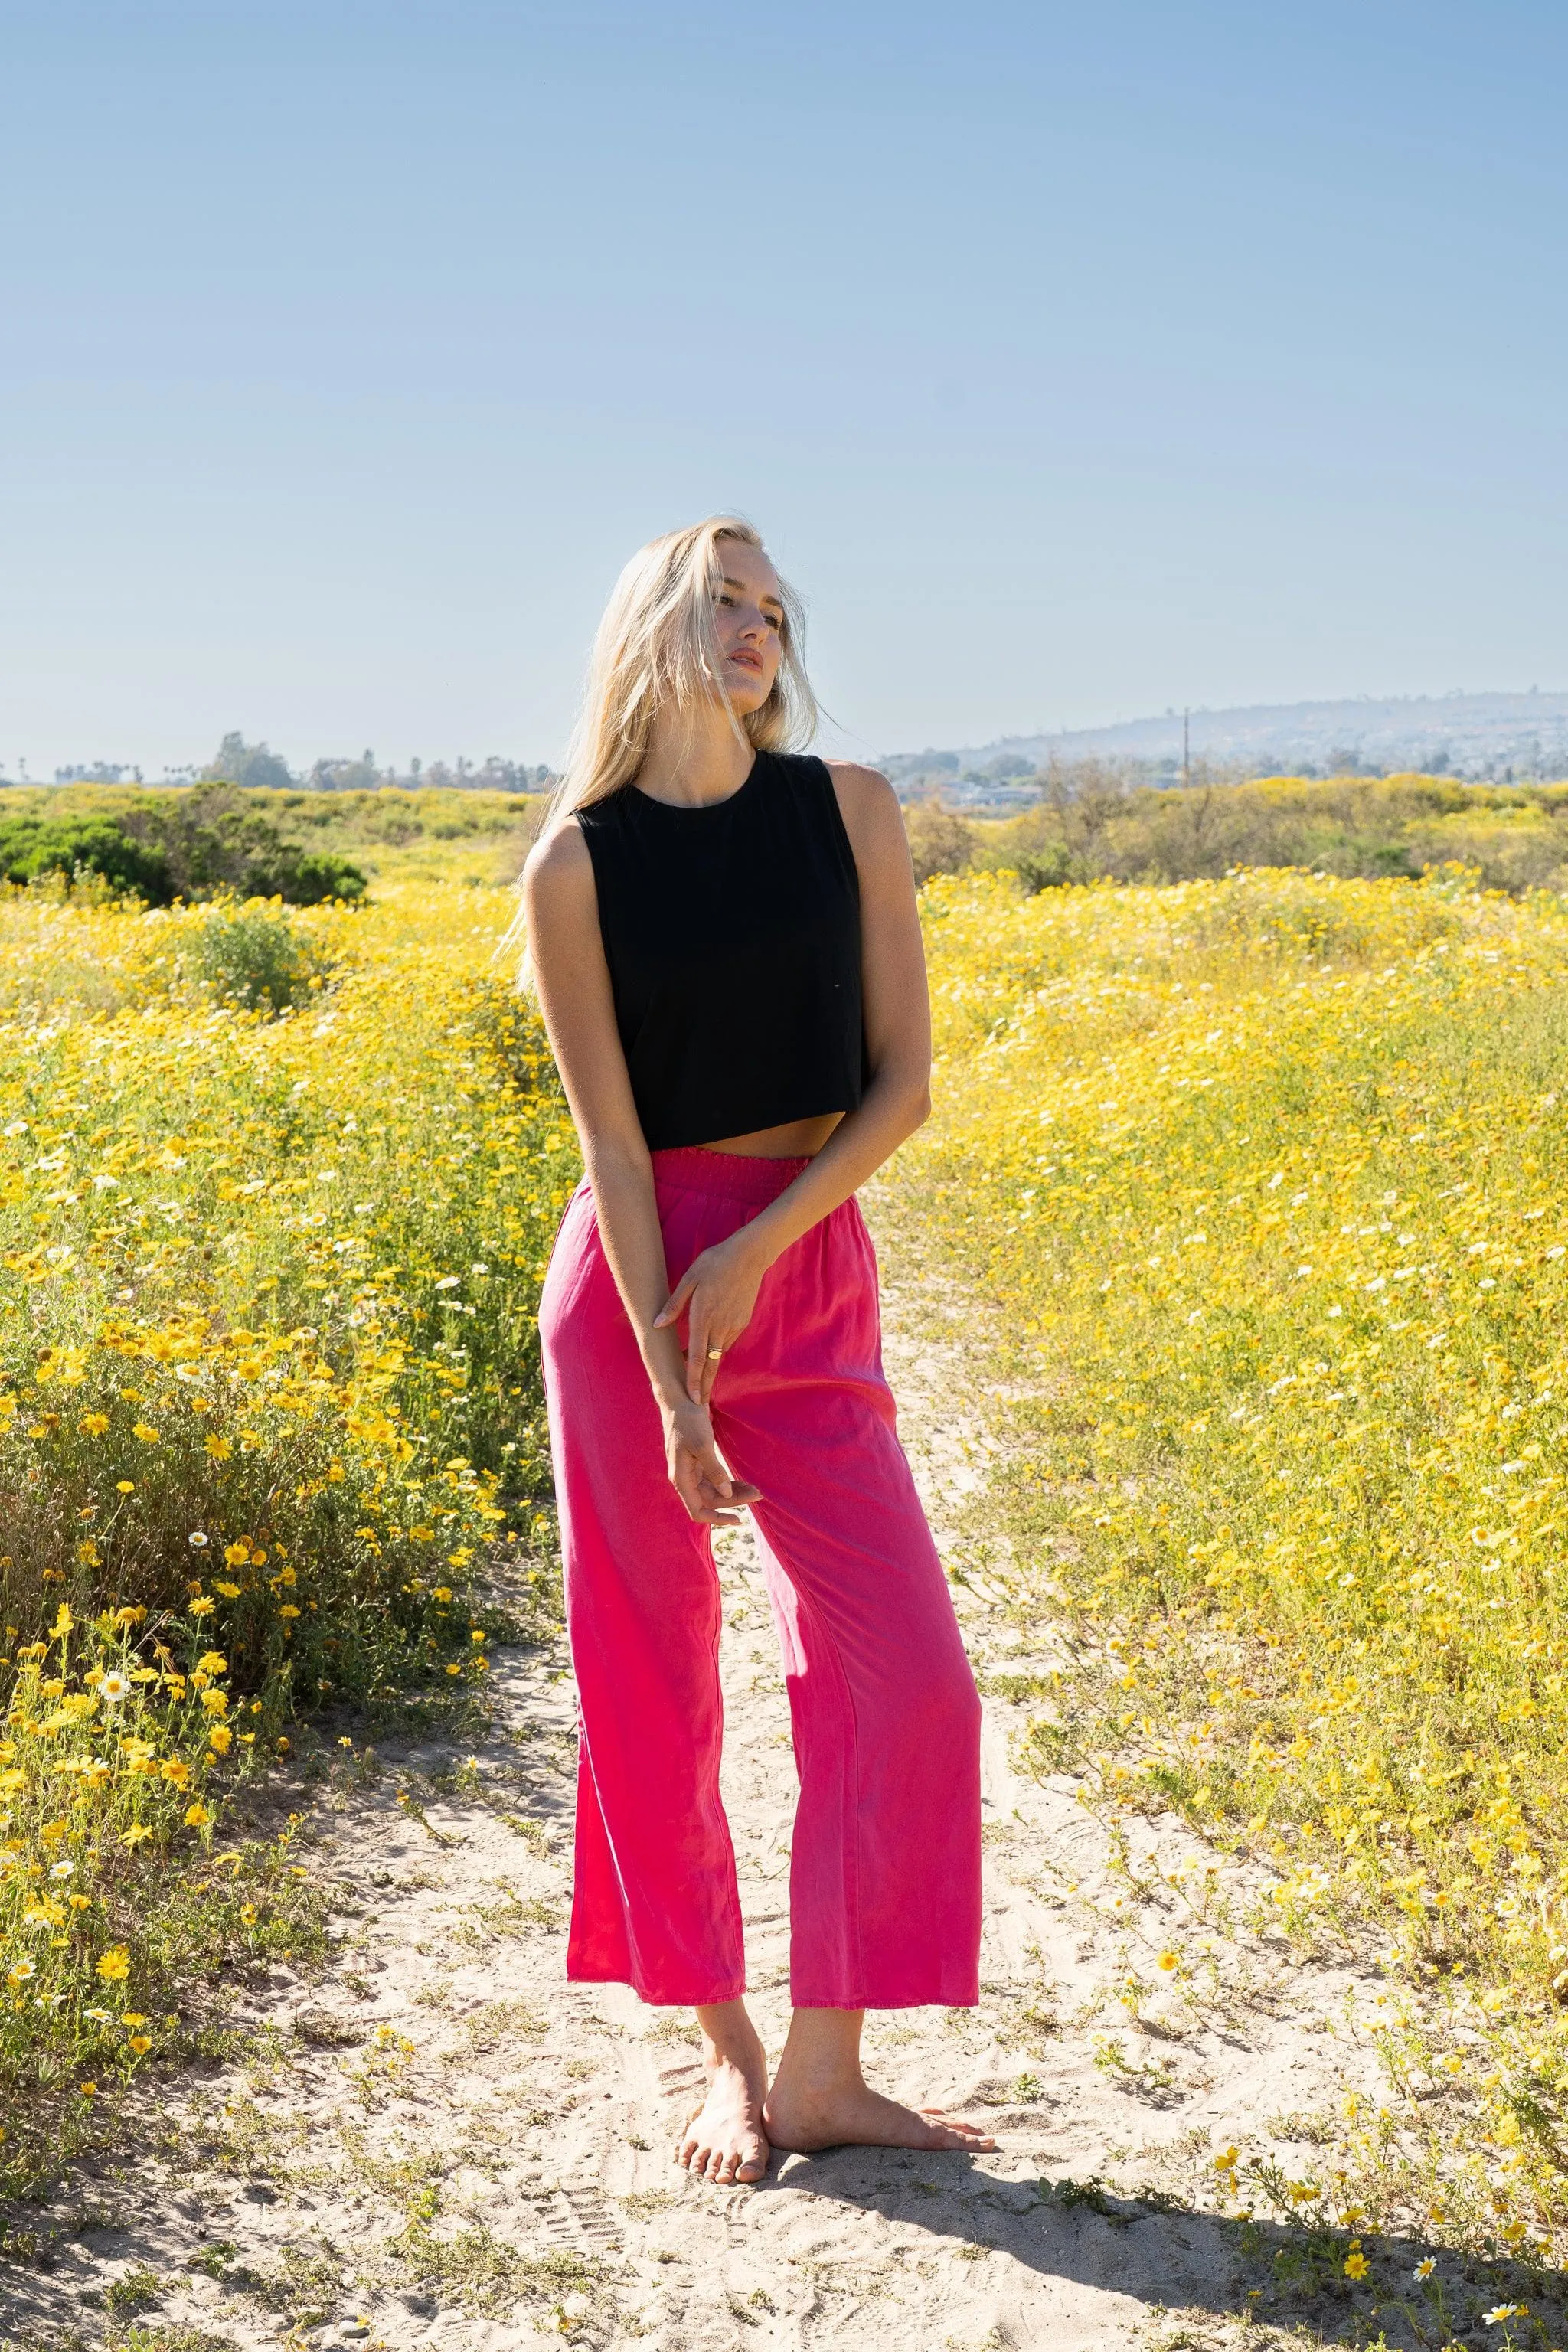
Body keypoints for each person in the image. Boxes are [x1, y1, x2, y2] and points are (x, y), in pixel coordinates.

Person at [520, 516, 987, 2187]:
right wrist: (669, 1377)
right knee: (648, 1682)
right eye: (722, 599)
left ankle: (827, 2071)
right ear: (653, 622)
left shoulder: (845, 812)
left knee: (908, 1674)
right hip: (638, 1297)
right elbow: (616, 1153)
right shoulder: (574, 865)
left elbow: (901, 1091)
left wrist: (756, 1254)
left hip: (792, 1262)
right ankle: (726, 2063)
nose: (755, 626)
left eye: (774, 604)